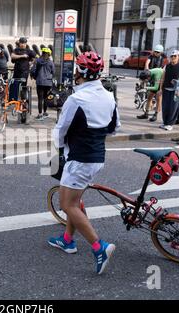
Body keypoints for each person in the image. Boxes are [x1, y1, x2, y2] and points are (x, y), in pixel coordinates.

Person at [49, 52, 120, 275]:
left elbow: (60, 131)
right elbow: (114, 127)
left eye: (77, 68)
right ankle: (68, 240)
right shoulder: (109, 96)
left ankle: (100, 247)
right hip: (97, 156)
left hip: (79, 158)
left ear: (80, 72)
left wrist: (59, 149)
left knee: (67, 204)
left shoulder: (76, 99)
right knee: (75, 200)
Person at [159, 50, 179, 131]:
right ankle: (165, 122)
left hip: (175, 90)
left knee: (173, 107)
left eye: (175, 56)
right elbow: (162, 77)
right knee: (165, 107)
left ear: (178, 57)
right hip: (166, 89)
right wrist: (160, 89)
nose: (173, 58)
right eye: (171, 56)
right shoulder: (167, 66)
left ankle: (170, 124)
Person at [34, 47, 55, 121]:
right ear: (49, 54)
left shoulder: (38, 61)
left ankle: (39, 114)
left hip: (39, 81)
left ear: (42, 53)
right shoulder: (51, 62)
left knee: (40, 98)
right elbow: (53, 72)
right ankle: (45, 112)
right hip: (48, 82)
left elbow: (35, 71)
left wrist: (35, 77)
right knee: (46, 98)